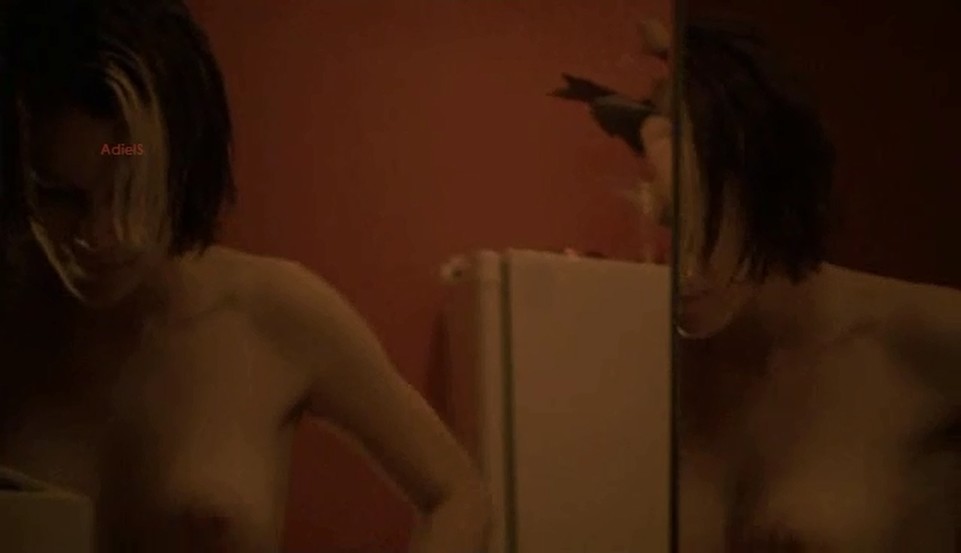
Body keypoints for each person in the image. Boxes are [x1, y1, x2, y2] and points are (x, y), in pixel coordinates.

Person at [0, 1, 490, 552]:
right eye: (59, 196)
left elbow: (458, 493)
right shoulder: (12, 323)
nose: (100, 234)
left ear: (184, 166)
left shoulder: (271, 313)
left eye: (130, 187)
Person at [638, 18, 961, 551]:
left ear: (766, 190)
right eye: (667, 223)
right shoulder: (660, 371)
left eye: (703, 216)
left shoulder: (917, 339)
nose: (684, 268)